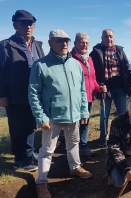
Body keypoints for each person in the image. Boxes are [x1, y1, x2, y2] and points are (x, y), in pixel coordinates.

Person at [28, 29, 92, 198]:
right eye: (59, 41)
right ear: (50, 43)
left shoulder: (75, 64)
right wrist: (41, 117)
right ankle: (41, 182)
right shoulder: (41, 65)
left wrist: (84, 111)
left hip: (73, 115)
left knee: (73, 143)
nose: (64, 44)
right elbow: (33, 93)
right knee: (47, 150)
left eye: (66, 41)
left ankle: (75, 167)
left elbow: (82, 91)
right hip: (52, 117)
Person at [0, 10, 45, 171]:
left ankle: (29, 152)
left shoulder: (38, 45)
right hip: (15, 95)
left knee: (31, 125)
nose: (27, 26)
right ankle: (20, 159)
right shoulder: (6, 45)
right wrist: (2, 94)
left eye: (30, 23)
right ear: (15, 25)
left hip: (35, 95)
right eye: (23, 23)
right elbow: (1, 72)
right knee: (18, 127)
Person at [90, 29, 131, 147]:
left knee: (123, 114)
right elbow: (92, 71)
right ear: (102, 38)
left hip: (120, 87)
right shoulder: (96, 52)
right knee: (105, 114)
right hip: (105, 88)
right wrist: (97, 85)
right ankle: (103, 137)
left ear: (114, 38)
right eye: (106, 36)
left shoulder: (119, 51)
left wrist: (129, 86)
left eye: (110, 36)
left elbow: (126, 68)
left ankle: (122, 136)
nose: (108, 39)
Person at [71, 32, 107, 157]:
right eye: (82, 42)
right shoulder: (71, 58)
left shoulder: (89, 58)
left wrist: (98, 88)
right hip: (76, 98)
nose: (84, 45)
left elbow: (92, 78)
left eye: (87, 43)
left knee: (85, 122)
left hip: (89, 96)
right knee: (75, 124)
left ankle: (83, 146)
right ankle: (73, 148)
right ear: (75, 43)